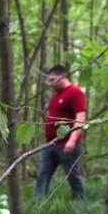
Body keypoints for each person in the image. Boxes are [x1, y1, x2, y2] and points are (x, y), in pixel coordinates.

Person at [35, 64, 87, 201]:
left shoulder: (75, 92)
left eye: (52, 80)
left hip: (67, 144)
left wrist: (72, 140)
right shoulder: (56, 95)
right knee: (42, 175)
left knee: (72, 176)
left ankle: (80, 203)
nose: (49, 84)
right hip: (50, 145)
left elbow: (80, 116)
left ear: (62, 77)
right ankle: (37, 204)